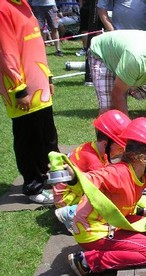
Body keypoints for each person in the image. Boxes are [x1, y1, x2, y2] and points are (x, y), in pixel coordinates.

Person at [67, 117, 146, 276]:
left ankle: (116, 248)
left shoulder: (143, 174)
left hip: (114, 223)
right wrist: (73, 177)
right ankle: (87, 262)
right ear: (145, 157)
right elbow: (91, 179)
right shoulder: (117, 173)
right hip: (94, 231)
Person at [0, 0, 60, 205]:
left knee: (48, 136)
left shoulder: (25, 5)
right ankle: (33, 186)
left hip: (40, 86)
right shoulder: (3, 8)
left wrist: (48, 76)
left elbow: (37, 45)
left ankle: (52, 176)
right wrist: (19, 89)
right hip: (22, 90)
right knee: (28, 138)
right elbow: (6, 52)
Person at [53, 110, 131, 232]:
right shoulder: (93, 160)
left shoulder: (93, 148)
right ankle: (71, 213)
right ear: (106, 143)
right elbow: (105, 186)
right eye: (120, 147)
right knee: (108, 199)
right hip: (67, 198)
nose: (122, 150)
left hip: (71, 190)